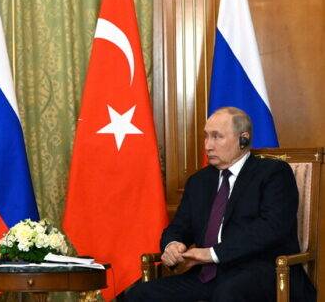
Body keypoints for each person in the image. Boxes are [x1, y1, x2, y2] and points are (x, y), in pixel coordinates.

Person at [123, 107, 315, 301]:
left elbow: (271, 228)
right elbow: (178, 226)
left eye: (217, 137)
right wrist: (173, 245)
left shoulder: (273, 173)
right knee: (140, 294)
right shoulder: (198, 181)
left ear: (243, 139)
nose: (208, 146)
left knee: (227, 293)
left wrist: (212, 254)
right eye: (206, 137)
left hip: (261, 272)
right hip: (207, 275)